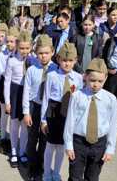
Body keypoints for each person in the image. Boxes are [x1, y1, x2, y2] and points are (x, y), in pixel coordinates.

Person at [64, 58, 117, 181]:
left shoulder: (110, 99)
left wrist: (110, 148)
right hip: (79, 142)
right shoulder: (77, 96)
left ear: (105, 78)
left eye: (100, 81)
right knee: (75, 176)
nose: (96, 84)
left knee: (93, 177)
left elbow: (113, 125)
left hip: (99, 144)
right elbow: (70, 121)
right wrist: (69, 144)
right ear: (86, 77)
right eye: (92, 80)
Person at [41, 41, 83, 181]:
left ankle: (56, 173)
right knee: (50, 145)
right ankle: (46, 173)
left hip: (69, 114)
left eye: (70, 60)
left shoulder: (78, 78)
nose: (67, 64)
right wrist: (43, 120)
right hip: (53, 112)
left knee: (61, 146)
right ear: (58, 59)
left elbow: (79, 100)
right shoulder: (52, 75)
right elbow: (46, 99)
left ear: (75, 60)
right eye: (64, 60)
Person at [23, 34, 57, 180]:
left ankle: (42, 166)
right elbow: (26, 92)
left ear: (52, 52)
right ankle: (32, 167)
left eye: (46, 53)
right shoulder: (31, 69)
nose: (43, 56)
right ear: (35, 53)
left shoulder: (56, 69)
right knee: (32, 138)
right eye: (40, 53)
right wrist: (26, 112)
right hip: (34, 106)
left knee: (45, 140)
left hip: (48, 110)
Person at [4, 31, 33, 168]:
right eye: (22, 48)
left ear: (31, 47)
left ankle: (23, 152)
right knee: (14, 124)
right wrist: (8, 102)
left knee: (25, 125)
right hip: (15, 93)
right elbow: (6, 82)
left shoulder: (33, 61)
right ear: (17, 46)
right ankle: (14, 151)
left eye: (27, 48)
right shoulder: (11, 60)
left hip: (27, 95)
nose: (24, 51)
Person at [0, 27, 19, 154]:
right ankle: (3, 139)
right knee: (4, 114)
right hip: (4, 85)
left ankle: (15, 141)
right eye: (7, 41)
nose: (9, 44)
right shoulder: (1, 56)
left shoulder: (21, 56)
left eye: (12, 41)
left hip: (17, 87)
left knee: (15, 117)